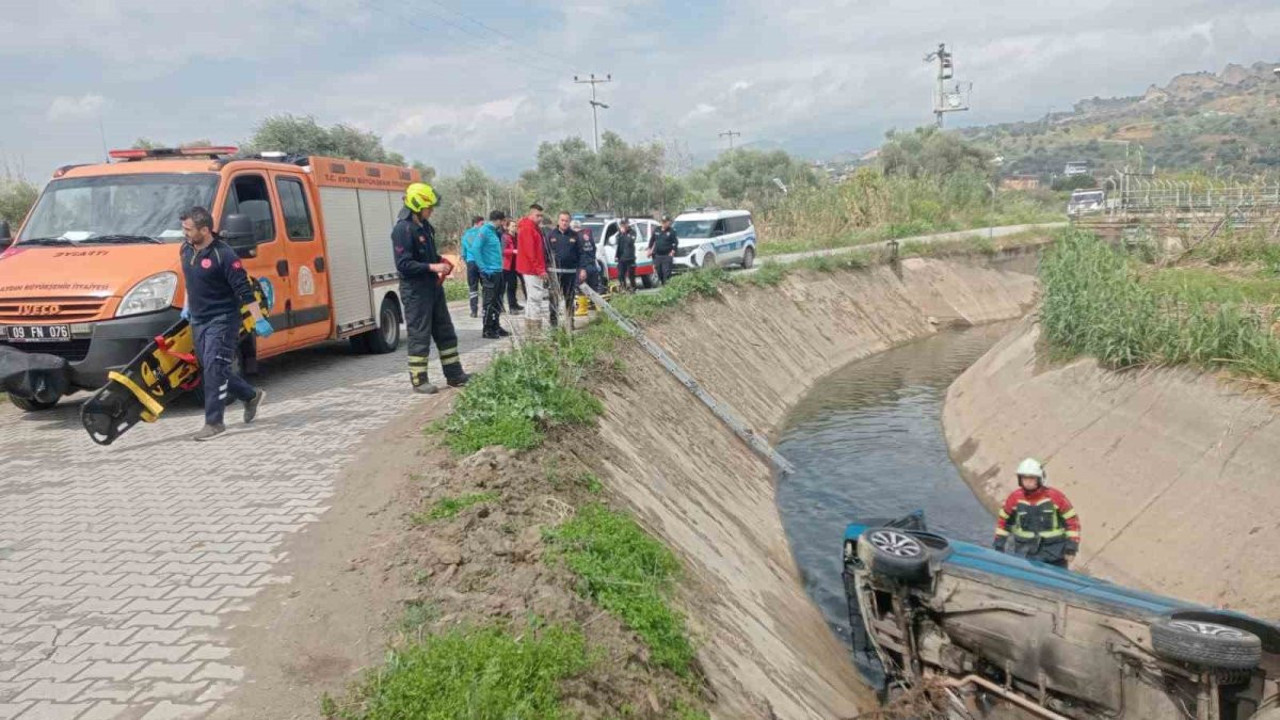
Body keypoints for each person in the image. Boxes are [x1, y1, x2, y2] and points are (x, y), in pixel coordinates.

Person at [177, 206, 271, 442]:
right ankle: (250, 395)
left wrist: (258, 320)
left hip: (223, 319)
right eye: (184, 228)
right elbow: (190, 282)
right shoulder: (185, 250)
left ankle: (214, 422)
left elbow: (244, 291)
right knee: (212, 368)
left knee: (213, 368)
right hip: (198, 319)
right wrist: (187, 306)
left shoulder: (224, 255)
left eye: (188, 229)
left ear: (205, 229)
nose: (184, 233)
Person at [392, 183, 469, 394]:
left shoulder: (424, 226)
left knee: (445, 331)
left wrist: (440, 261)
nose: (432, 210)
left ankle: (455, 375)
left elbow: (427, 255)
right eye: (429, 207)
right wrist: (432, 266)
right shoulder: (402, 230)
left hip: (432, 288)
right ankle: (419, 380)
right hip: (415, 291)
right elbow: (403, 264)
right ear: (417, 205)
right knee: (419, 335)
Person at [993, 458, 1081, 568]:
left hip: (1055, 554)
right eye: (1024, 478)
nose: (1028, 482)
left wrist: (1071, 548)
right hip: (1025, 554)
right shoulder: (1014, 498)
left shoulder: (1055, 497)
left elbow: (1072, 522)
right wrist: (999, 545)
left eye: (1031, 478)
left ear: (1040, 478)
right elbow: (1003, 522)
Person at [547, 212, 587, 325]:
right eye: (562, 220)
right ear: (558, 221)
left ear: (569, 222)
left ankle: (570, 322)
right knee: (554, 300)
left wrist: (582, 269)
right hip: (554, 274)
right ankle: (554, 325)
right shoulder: (551, 235)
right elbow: (545, 253)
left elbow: (581, 253)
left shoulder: (575, 235)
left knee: (569, 298)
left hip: (570, 273)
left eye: (566, 220)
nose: (564, 223)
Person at [515, 203, 550, 333]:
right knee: (536, 298)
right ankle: (535, 330)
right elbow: (531, 252)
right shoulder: (528, 229)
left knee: (531, 298)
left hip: (531, 268)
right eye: (537, 215)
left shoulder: (532, 227)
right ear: (531, 214)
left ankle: (530, 327)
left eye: (541, 215)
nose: (540, 218)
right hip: (532, 269)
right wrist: (540, 269)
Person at [475, 210, 510, 339]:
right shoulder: (484, 231)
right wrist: (483, 267)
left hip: (498, 270)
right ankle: (487, 328)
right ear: (499, 220)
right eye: (502, 221)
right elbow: (475, 249)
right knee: (489, 301)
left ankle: (496, 325)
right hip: (489, 271)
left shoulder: (495, 232)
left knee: (498, 300)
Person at [460, 215, 485, 318]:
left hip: (471, 263)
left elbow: (463, 253)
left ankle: (473, 311)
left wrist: (468, 262)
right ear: (477, 223)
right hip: (482, 263)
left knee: (473, 287)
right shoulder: (482, 234)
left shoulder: (466, 235)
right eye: (482, 224)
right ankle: (485, 310)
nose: (483, 226)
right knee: (486, 286)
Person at [648, 215, 679, 285]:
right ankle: (663, 284)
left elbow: (675, 242)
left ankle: (667, 287)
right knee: (659, 273)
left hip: (667, 256)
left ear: (669, 222)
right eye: (662, 222)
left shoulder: (672, 231)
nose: (664, 224)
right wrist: (649, 249)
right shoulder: (657, 230)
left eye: (665, 222)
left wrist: (673, 251)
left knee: (666, 273)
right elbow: (652, 240)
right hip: (658, 256)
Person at [502, 218, 523, 313]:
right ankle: (512, 307)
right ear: (508, 227)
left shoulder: (517, 236)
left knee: (515, 285)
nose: (515, 228)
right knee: (510, 285)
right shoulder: (505, 237)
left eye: (515, 226)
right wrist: (513, 251)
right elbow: (502, 251)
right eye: (513, 226)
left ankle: (515, 303)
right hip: (508, 265)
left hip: (517, 264)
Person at [614, 218, 638, 292]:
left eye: (625, 224)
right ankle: (623, 288)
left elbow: (631, 241)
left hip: (630, 258)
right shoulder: (619, 233)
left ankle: (633, 288)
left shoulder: (632, 232)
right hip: (621, 257)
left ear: (628, 224)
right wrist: (616, 256)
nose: (623, 225)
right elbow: (617, 243)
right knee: (620, 275)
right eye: (622, 224)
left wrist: (624, 234)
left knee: (631, 275)